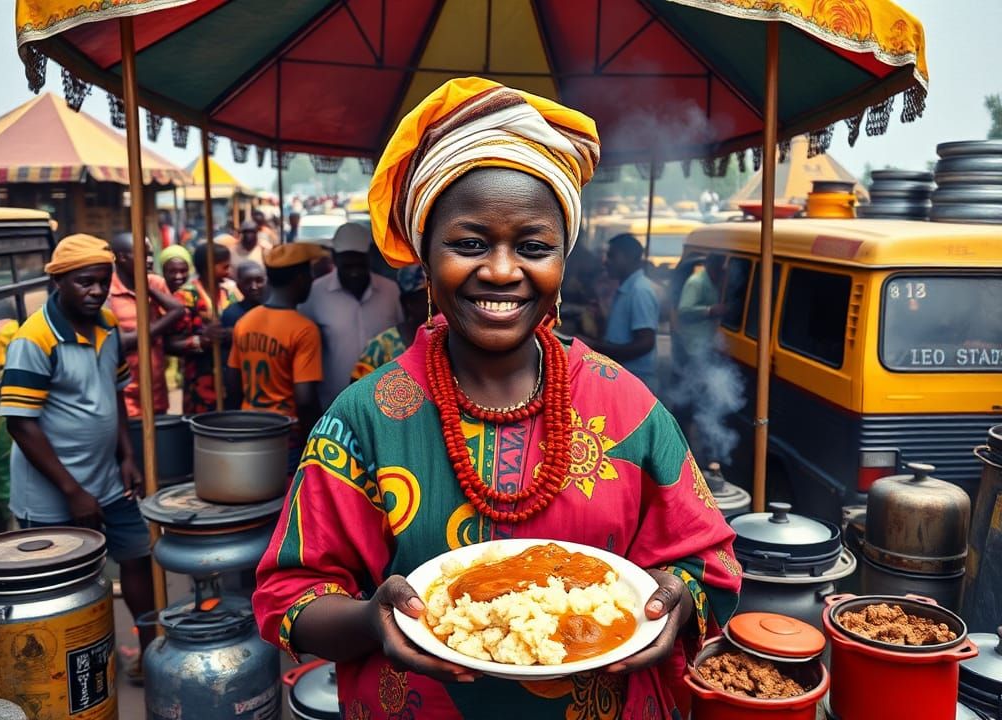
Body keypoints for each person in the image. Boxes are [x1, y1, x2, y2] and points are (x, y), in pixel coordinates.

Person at [253, 77, 739, 720]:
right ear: (424, 257)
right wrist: (371, 621)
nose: (504, 271)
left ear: (563, 261)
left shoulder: (627, 407)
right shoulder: (365, 418)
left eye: (533, 247)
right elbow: (289, 594)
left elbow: (708, 560)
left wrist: (676, 599)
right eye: (470, 243)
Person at [1, 234, 156, 676]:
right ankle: (69, 677)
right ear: (60, 282)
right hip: (54, 494)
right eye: (85, 282)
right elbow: (20, 423)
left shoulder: (107, 325)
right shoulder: (34, 338)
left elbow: (115, 394)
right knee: (62, 587)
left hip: (108, 479)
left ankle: (147, 655)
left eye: (103, 282)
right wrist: (72, 491)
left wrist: (127, 455)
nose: (95, 291)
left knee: (136, 555)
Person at [227, 244, 324, 464]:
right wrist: (316, 442)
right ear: (300, 279)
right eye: (309, 275)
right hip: (286, 436)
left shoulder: (244, 322)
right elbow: (305, 398)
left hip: (249, 429)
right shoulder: (304, 329)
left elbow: (232, 383)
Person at [299, 222, 402, 407]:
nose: (354, 272)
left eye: (359, 265)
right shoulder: (315, 293)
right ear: (335, 259)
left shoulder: (391, 291)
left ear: (369, 257)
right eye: (347, 265)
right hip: (333, 404)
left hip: (386, 404)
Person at [107, 232, 186, 417]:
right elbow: (121, 343)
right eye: (142, 255)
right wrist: (154, 331)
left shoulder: (154, 284)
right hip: (125, 392)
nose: (149, 261)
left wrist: (144, 284)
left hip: (155, 389)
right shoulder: (108, 291)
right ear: (122, 257)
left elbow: (178, 310)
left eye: (150, 255)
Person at [581, 233, 662, 394]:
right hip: (624, 378)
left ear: (629, 258)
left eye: (611, 256)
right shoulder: (626, 288)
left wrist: (595, 347)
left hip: (636, 382)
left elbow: (646, 343)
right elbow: (620, 335)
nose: (606, 262)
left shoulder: (640, 291)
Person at [170, 243, 234, 415]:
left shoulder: (229, 292)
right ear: (209, 267)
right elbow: (171, 344)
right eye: (225, 267)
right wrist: (202, 341)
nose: (229, 272)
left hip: (228, 377)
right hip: (199, 378)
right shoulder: (185, 296)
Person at [351, 264, 431, 380]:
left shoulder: (454, 342)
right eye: (428, 298)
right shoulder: (380, 348)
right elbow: (356, 394)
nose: (438, 303)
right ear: (408, 303)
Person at [676, 254, 725, 363]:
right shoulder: (696, 283)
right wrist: (710, 311)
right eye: (718, 268)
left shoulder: (715, 283)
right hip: (693, 344)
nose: (721, 273)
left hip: (707, 342)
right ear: (710, 266)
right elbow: (684, 311)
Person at [222, 260, 267, 329]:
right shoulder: (231, 314)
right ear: (239, 286)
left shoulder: (277, 311)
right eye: (247, 282)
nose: (254, 287)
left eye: (259, 281)